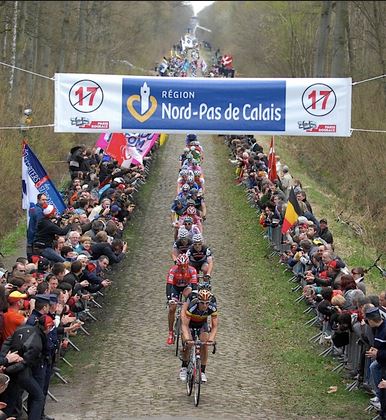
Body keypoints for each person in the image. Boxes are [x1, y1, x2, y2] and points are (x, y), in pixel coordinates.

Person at [180, 288, 218, 383]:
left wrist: (211, 340)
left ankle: (203, 371)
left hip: (202, 324)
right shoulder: (193, 305)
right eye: (202, 303)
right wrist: (187, 339)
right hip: (190, 323)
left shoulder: (212, 307)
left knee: (204, 344)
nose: (205, 305)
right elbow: (184, 325)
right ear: (198, 301)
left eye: (207, 303)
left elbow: (214, 326)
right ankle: (184, 367)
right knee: (189, 344)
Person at [166, 254, 198, 345]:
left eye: (185, 266)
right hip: (175, 288)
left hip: (186, 287)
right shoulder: (173, 270)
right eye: (181, 266)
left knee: (190, 299)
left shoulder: (192, 270)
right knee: (172, 308)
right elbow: (168, 285)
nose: (183, 268)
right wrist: (169, 299)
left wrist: (193, 298)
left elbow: (194, 286)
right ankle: (171, 333)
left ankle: (188, 325)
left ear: (188, 264)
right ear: (177, 265)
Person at [26, 194, 48, 259]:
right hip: (35, 239)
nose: (45, 201)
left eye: (46, 200)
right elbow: (40, 226)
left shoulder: (36, 209)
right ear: (38, 200)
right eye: (43, 200)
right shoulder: (38, 211)